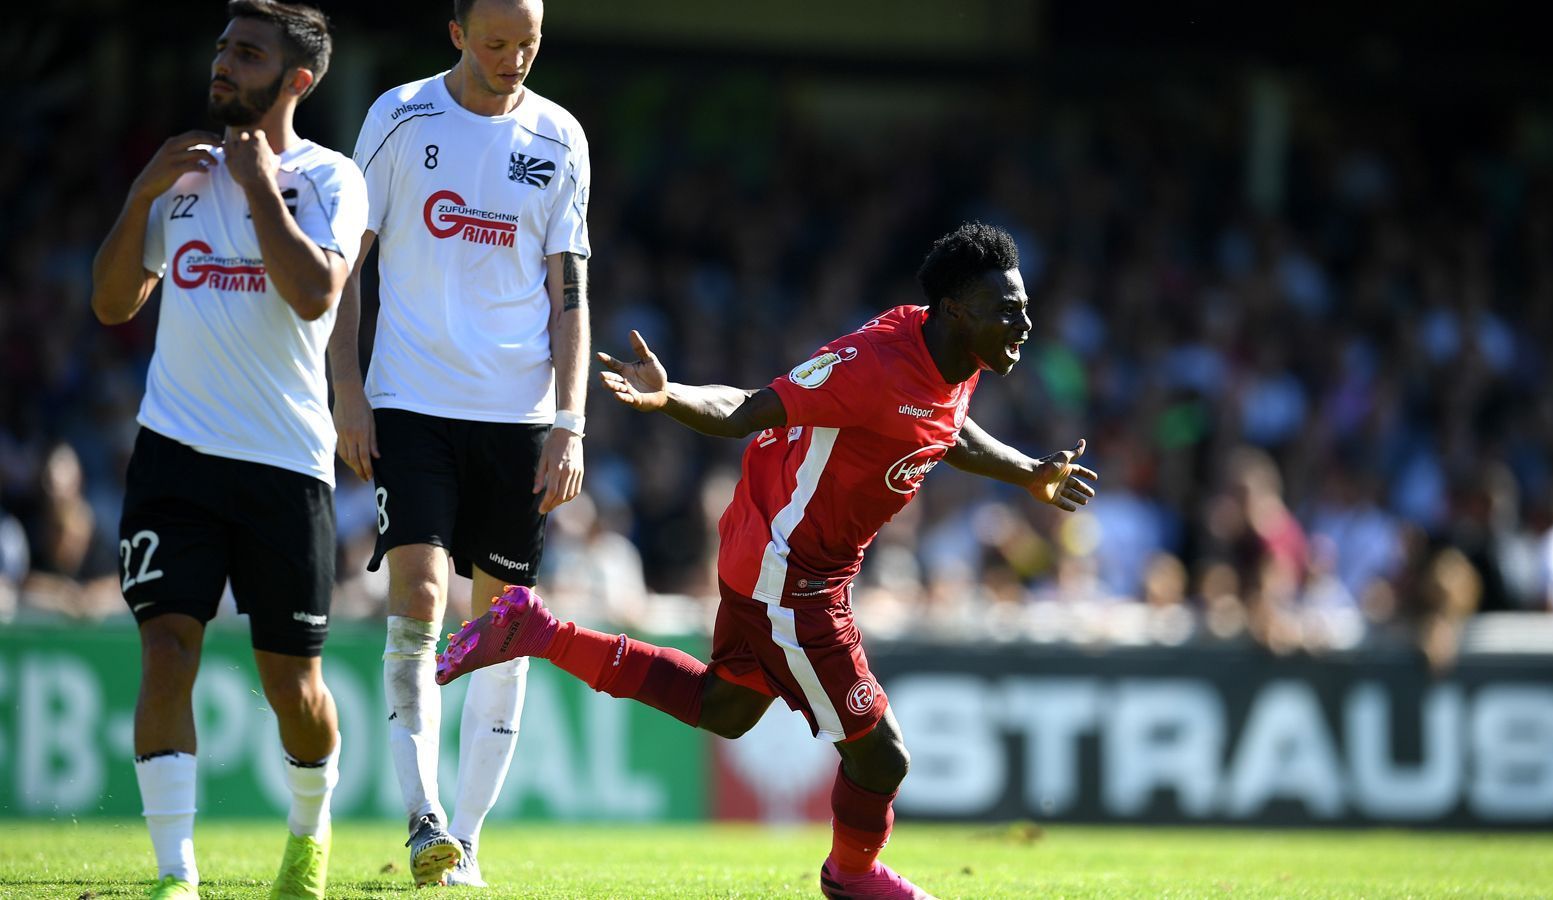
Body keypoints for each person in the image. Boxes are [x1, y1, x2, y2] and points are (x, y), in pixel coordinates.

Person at [438, 222, 1096, 898]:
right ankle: (852, 876)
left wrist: (1026, 473)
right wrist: (671, 396)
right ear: (958, 310)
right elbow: (750, 409)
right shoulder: (873, 362)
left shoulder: (956, 360)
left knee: (723, 707)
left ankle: (535, 629)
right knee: (881, 756)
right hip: (790, 576)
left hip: (783, 558)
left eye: (1022, 306)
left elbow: (944, 428)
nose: (1025, 322)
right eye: (1007, 309)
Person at [88, 2, 362, 898]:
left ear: (296, 80)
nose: (223, 64)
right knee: (167, 649)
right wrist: (139, 195)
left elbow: (316, 293)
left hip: (286, 467)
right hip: (175, 456)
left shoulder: (330, 179)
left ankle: (309, 831)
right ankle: (176, 874)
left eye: (246, 54)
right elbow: (112, 303)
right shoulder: (180, 178)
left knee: (295, 689)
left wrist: (254, 186)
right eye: (221, 47)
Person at [330, 0, 591, 887]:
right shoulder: (399, 117)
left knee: (503, 625)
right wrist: (348, 391)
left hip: (518, 420)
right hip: (411, 403)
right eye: (496, 43)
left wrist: (569, 420)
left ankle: (468, 841)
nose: (514, 59)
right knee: (420, 592)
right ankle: (422, 818)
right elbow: (347, 264)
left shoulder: (560, 136)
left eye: (530, 43)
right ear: (455, 35)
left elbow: (571, 294)